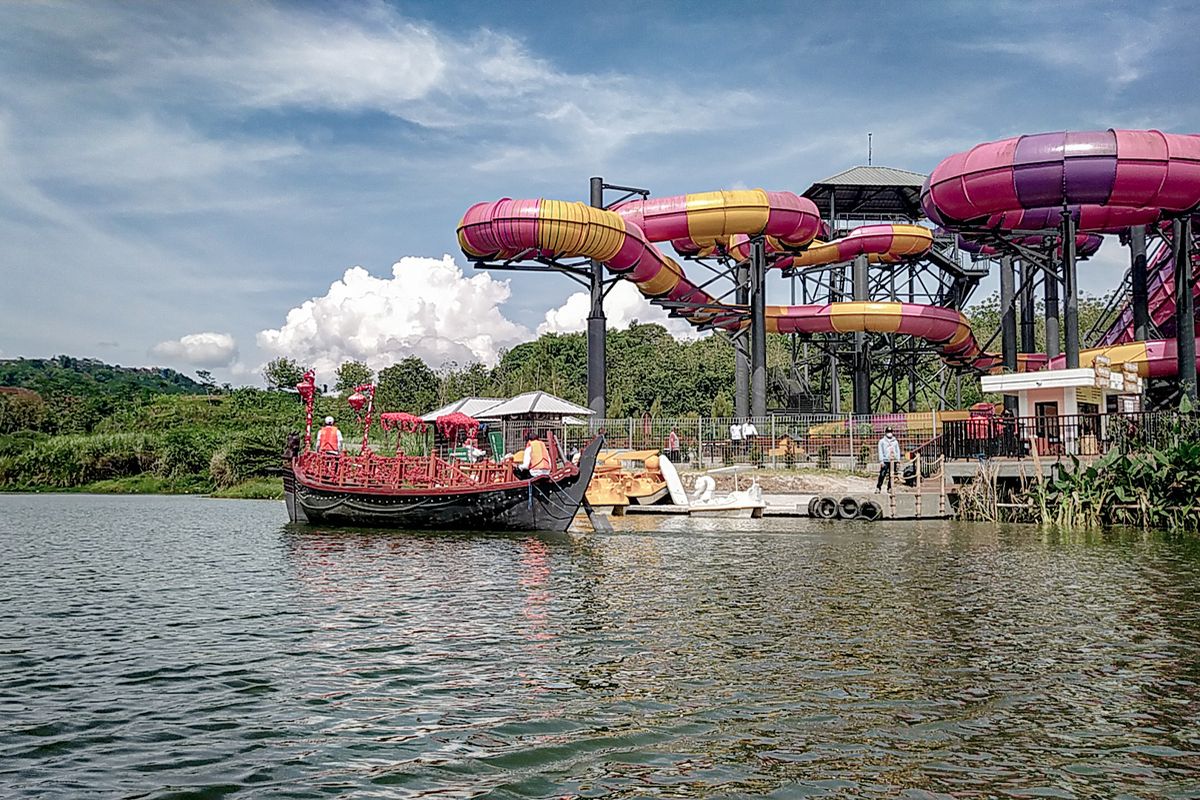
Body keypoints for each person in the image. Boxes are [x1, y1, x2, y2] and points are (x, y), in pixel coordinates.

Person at [876, 427, 901, 493]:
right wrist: (881, 461)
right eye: (888, 432)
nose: (889, 433)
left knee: (891, 475)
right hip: (885, 460)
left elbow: (897, 450)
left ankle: (889, 487)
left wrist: (898, 460)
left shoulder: (895, 441)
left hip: (893, 460)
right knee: (882, 474)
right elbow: (880, 451)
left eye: (890, 432)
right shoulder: (882, 441)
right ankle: (878, 487)